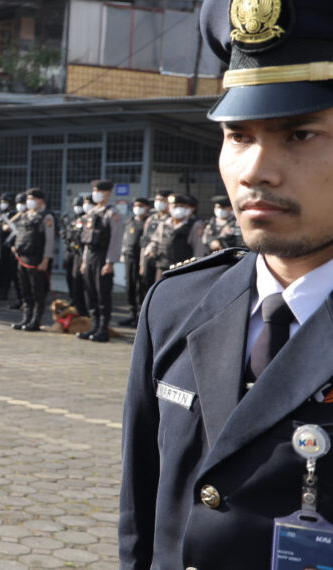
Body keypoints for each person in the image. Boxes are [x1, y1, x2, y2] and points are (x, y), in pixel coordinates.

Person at [120, 0, 333, 565]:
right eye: (238, 135)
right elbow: (141, 516)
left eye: (301, 135)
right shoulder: (177, 304)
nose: (255, 169)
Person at [76, 180, 122, 342]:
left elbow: (115, 240)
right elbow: (87, 239)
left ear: (107, 193)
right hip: (90, 256)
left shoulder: (112, 213)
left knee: (102, 293)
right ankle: (94, 326)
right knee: (90, 293)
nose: (95, 194)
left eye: (99, 191)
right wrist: (83, 261)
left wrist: (110, 262)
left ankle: (103, 329)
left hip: (103, 257)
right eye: (94, 190)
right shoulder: (92, 212)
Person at [11, 188, 55, 331]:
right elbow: (19, 234)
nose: (30, 202)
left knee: (37, 291)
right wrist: (15, 246)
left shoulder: (46, 217)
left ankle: (35, 321)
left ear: (41, 201)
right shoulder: (24, 216)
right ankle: (25, 318)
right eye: (28, 199)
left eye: (33, 199)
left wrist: (45, 260)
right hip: (22, 257)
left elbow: (49, 241)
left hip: (36, 259)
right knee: (25, 290)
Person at [154, 193, 206, 277]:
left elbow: (198, 249)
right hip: (163, 266)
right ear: (169, 208)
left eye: (181, 206)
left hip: (182, 268)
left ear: (186, 208)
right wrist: (151, 249)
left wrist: (196, 266)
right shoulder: (163, 224)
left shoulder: (194, 225)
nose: (178, 209)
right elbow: (155, 240)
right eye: (175, 206)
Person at [118, 197, 151, 327]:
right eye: (136, 205)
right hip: (129, 257)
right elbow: (125, 239)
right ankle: (132, 314)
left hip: (141, 258)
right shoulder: (130, 221)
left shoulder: (148, 222)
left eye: (141, 205)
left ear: (147, 207)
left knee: (141, 287)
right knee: (130, 285)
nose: (138, 208)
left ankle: (141, 317)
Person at [138, 188, 173, 293]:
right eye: (157, 200)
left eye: (162, 200)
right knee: (146, 287)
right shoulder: (150, 219)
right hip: (148, 258)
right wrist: (142, 264)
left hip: (163, 260)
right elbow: (144, 242)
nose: (159, 203)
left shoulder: (171, 220)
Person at [0, 191, 19, 303]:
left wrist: (8, 228)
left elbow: (16, 229)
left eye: (5, 202)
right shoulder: (0, 214)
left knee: (7, 271)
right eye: (1, 202)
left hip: (8, 246)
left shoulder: (15, 214)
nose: (2, 204)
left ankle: (4, 291)